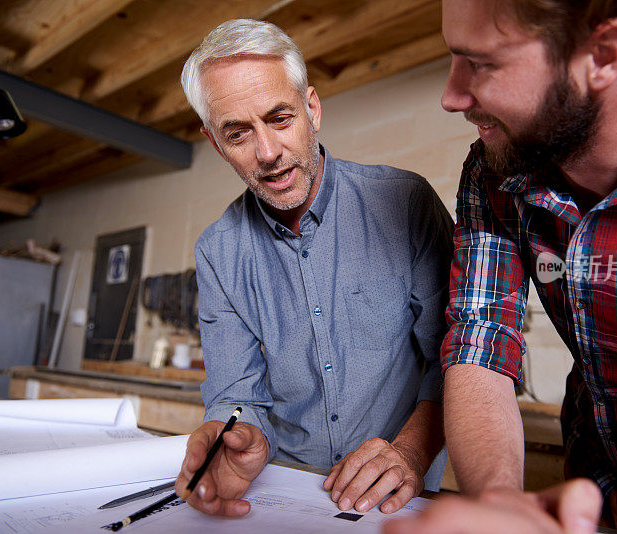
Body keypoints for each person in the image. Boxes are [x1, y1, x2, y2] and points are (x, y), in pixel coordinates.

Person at [386, 0, 617, 533]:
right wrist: (500, 507)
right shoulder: (496, 171)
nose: (452, 97)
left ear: (604, 55)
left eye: (482, 64)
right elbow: (478, 343)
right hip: (593, 504)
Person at [174, 19, 454, 519]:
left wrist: (411, 452)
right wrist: (232, 432)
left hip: (395, 496)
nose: (267, 153)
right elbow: (236, 394)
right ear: (216, 144)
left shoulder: (405, 203)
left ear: (312, 108)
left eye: (280, 118)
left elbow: (455, 354)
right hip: (288, 492)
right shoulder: (219, 252)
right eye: (238, 134)